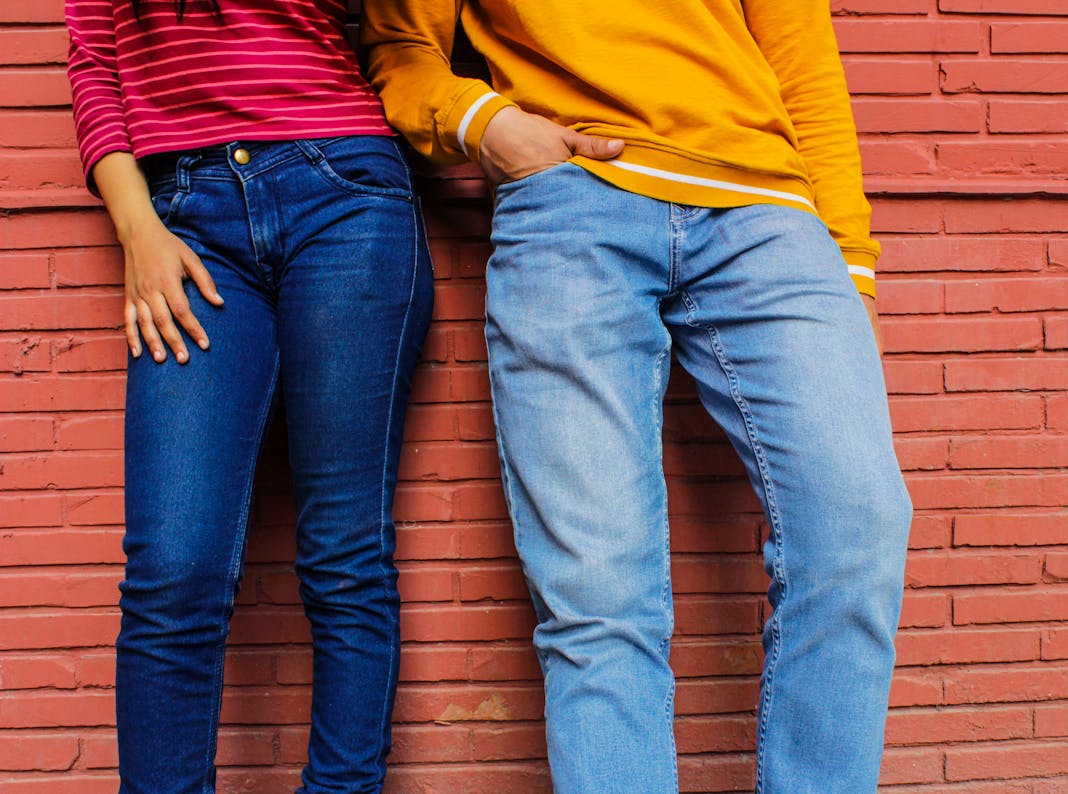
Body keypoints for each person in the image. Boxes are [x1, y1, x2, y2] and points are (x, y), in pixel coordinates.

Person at [362, 2, 913, 791]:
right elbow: (399, 42)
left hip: (766, 212)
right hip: (572, 198)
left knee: (857, 523)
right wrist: (486, 124)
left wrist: (852, 263)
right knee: (597, 587)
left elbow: (806, 65)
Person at [65, 0, 433, 790]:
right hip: (185, 218)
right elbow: (94, 64)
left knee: (346, 552)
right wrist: (140, 231)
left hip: (345, 193)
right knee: (173, 566)